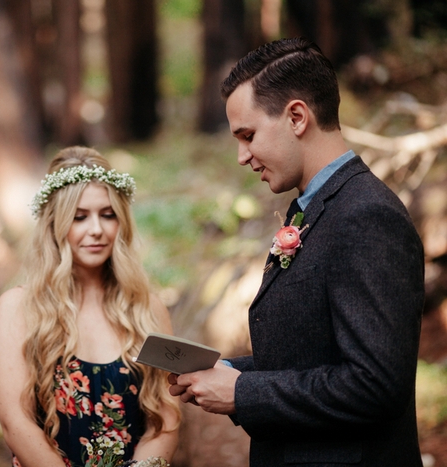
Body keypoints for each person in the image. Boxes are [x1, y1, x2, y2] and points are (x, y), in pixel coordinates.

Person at [168, 37, 425, 466]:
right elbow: (314, 354)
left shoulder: (365, 216)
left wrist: (243, 394)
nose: (241, 156)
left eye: (248, 135)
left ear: (297, 117)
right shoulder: (316, 209)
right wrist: (234, 374)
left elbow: (375, 386)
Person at [0, 146, 179, 467]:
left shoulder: (148, 308)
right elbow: (15, 425)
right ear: (54, 224)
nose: (96, 230)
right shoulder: (18, 308)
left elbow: (167, 419)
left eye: (108, 215)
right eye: (79, 217)